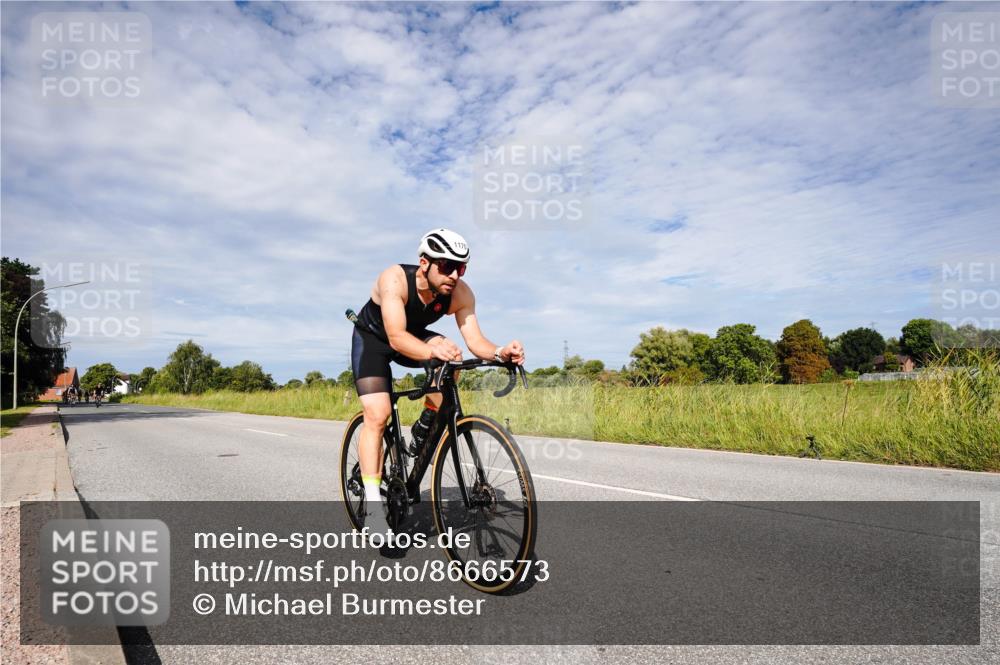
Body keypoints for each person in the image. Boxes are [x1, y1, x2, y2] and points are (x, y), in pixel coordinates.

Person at [350, 229, 525, 539]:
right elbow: (395, 337)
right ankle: (375, 509)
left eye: (461, 268)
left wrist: (500, 352)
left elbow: (475, 341)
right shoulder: (394, 279)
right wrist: (433, 349)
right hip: (375, 340)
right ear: (424, 263)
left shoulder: (461, 293)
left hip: (413, 337)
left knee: (453, 355)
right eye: (446, 266)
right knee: (377, 414)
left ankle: (426, 423)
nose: (454, 275)